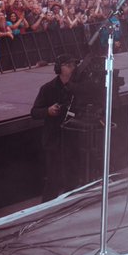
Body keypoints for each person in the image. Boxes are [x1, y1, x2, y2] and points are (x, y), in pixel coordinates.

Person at [30, 54, 79, 200]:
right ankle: (47, 207)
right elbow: (34, 112)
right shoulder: (48, 89)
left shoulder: (79, 87)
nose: (72, 68)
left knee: (73, 175)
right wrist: (48, 111)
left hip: (73, 138)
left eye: (73, 65)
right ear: (59, 68)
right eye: (68, 65)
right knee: (53, 177)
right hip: (54, 139)